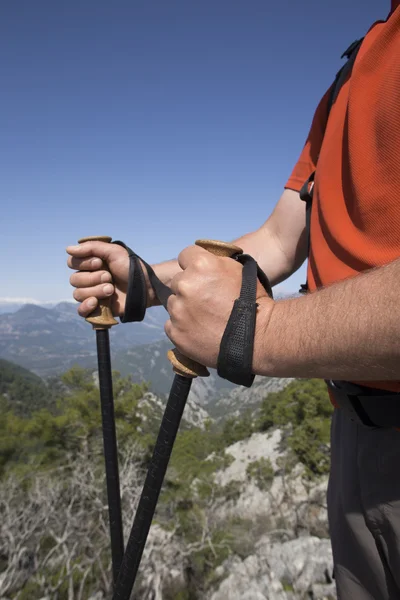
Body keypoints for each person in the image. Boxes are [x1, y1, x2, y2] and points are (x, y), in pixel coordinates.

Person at [67, 3, 400, 598]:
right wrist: (145, 282)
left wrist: (258, 331)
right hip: (355, 432)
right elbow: (277, 240)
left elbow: (259, 309)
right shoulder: (354, 69)